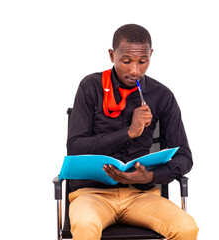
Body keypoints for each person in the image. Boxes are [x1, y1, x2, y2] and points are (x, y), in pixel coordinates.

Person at [67, 24, 199, 240]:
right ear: (112, 55)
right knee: (85, 224)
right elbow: (75, 147)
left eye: (142, 61)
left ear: (151, 55)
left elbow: (184, 157)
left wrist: (151, 176)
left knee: (186, 227)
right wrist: (129, 133)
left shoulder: (161, 96)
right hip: (92, 194)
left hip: (141, 195)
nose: (135, 70)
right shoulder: (90, 87)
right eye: (126, 61)